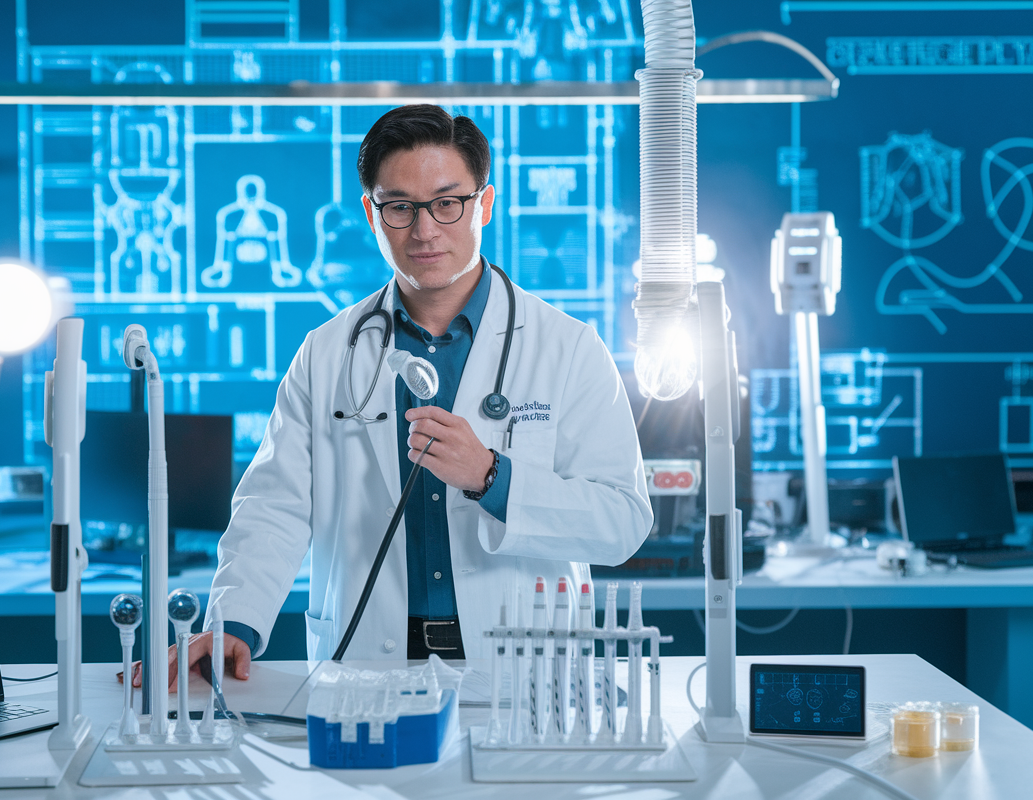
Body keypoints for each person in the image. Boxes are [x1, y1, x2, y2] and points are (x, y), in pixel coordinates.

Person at [125, 104, 651, 689]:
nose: (425, 230)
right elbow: (274, 507)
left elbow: (623, 522)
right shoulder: (326, 353)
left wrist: (491, 477)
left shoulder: (569, 348)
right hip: (366, 665)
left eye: (447, 203)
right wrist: (235, 624)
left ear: (485, 204)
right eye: (399, 207)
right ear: (372, 215)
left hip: (523, 671)